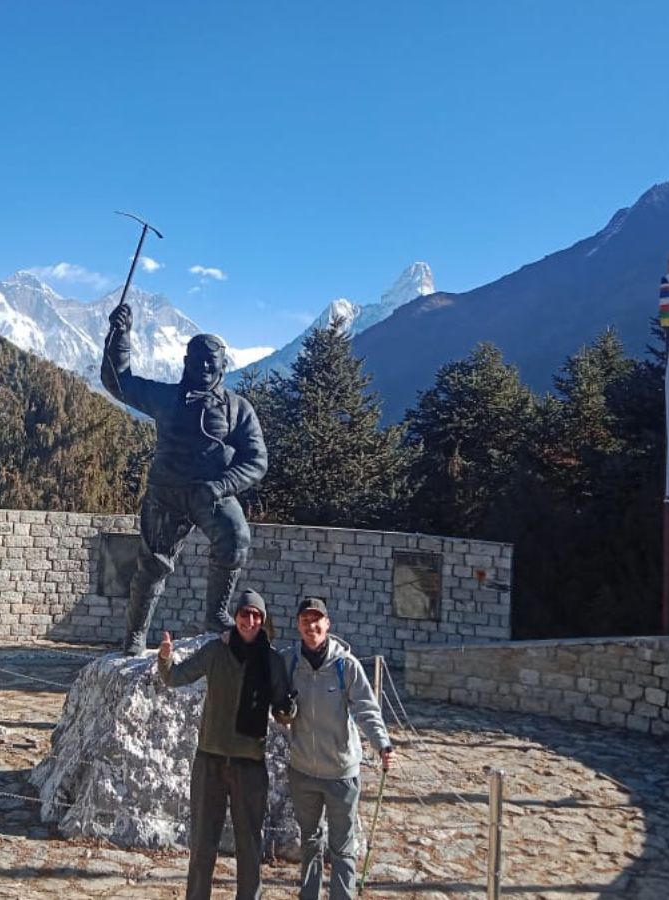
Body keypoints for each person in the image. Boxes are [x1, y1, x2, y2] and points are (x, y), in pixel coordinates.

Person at [102, 301, 268, 654]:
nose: (205, 366)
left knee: (235, 538)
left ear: (223, 365)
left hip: (212, 495)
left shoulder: (239, 409)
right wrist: (120, 335)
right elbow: (118, 382)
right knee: (153, 565)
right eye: (198, 360)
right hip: (166, 494)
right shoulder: (164, 397)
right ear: (185, 363)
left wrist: (222, 486)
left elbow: (257, 461)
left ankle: (216, 613)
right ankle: (134, 634)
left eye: (212, 361)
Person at [157, 589, 295, 900]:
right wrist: (165, 658)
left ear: (263, 621)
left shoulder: (272, 660)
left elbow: (282, 711)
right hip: (210, 760)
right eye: (245, 614)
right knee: (203, 844)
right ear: (236, 618)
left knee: (249, 846)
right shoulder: (214, 651)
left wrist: (290, 710)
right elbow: (176, 677)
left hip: (249, 764)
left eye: (256, 616)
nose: (250, 620)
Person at [284, 597, 394, 900]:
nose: (311, 626)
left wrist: (382, 742)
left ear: (328, 624)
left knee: (343, 848)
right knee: (310, 842)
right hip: (302, 770)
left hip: (341, 774)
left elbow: (367, 710)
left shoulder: (347, 666)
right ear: (298, 625)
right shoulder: (289, 662)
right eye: (305, 620)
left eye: (316, 620)